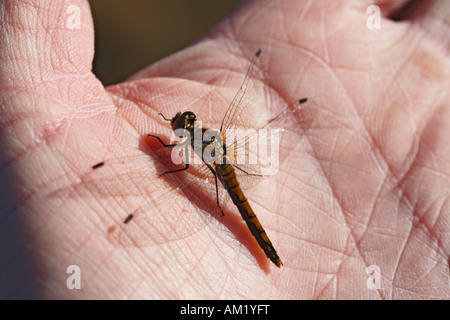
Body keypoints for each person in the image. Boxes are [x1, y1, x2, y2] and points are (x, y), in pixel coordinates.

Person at [0, 0, 449, 299]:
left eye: (184, 125)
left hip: (225, 181)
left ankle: (265, 248)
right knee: (229, 193)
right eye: (184, 126)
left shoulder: (185, 151)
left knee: (218, 194)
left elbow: (176, 167)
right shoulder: (207, 140)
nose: (183, 126)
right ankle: (263, 246)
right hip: (229, 173)